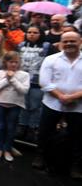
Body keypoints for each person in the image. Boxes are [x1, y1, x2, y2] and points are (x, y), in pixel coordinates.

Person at [32, 31, 82, 179]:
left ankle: (76, 165)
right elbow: (44, 82)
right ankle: (40, 156)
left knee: (78, 136)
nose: (69, 44)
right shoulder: (50, 59)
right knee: (45, 132)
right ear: (60, 43)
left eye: (72, 41)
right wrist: (61, 96)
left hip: (78, 106)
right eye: (65, 41)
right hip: (52, 103)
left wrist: (73, 97)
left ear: (80, 41)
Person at [0, 51, 30, 162]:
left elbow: (24, 90)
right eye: (11, 62)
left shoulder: (24, 75)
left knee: (11, 128)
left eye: (16, 62)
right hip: (1, 103)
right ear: (5, 62)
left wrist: (12, 79)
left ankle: (7, 149)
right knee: (0, 127)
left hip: (15, 105)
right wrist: (7, 79)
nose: (13, 64)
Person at [16, 25, 52, 143]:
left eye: (35, 32)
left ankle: (33, 127)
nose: (31, 34)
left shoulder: (46, 46)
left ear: (40, 34)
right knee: (23, 105)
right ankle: (22, 126)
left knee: (35, 106)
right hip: (22, 81)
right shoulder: (21, 45)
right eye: (29, 32)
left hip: (38, 82)